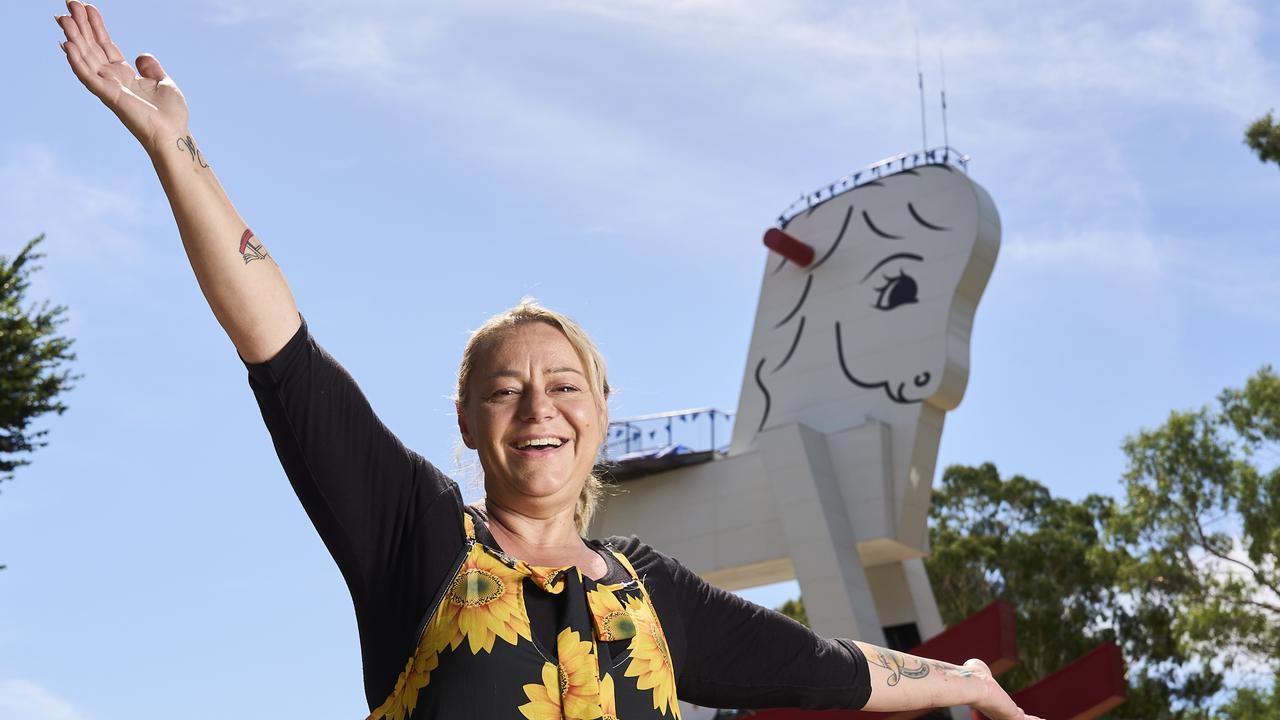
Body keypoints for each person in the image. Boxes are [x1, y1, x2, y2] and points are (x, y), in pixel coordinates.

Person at [55, 3, 1045, 719]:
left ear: (601, 416)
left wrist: (963, 680)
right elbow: (276, 341)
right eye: (506, 388)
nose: (539, 407)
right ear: (468, 424)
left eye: (563, 385)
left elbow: (829, 668)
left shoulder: (651, 595)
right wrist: (175, 148)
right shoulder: (414, 540)